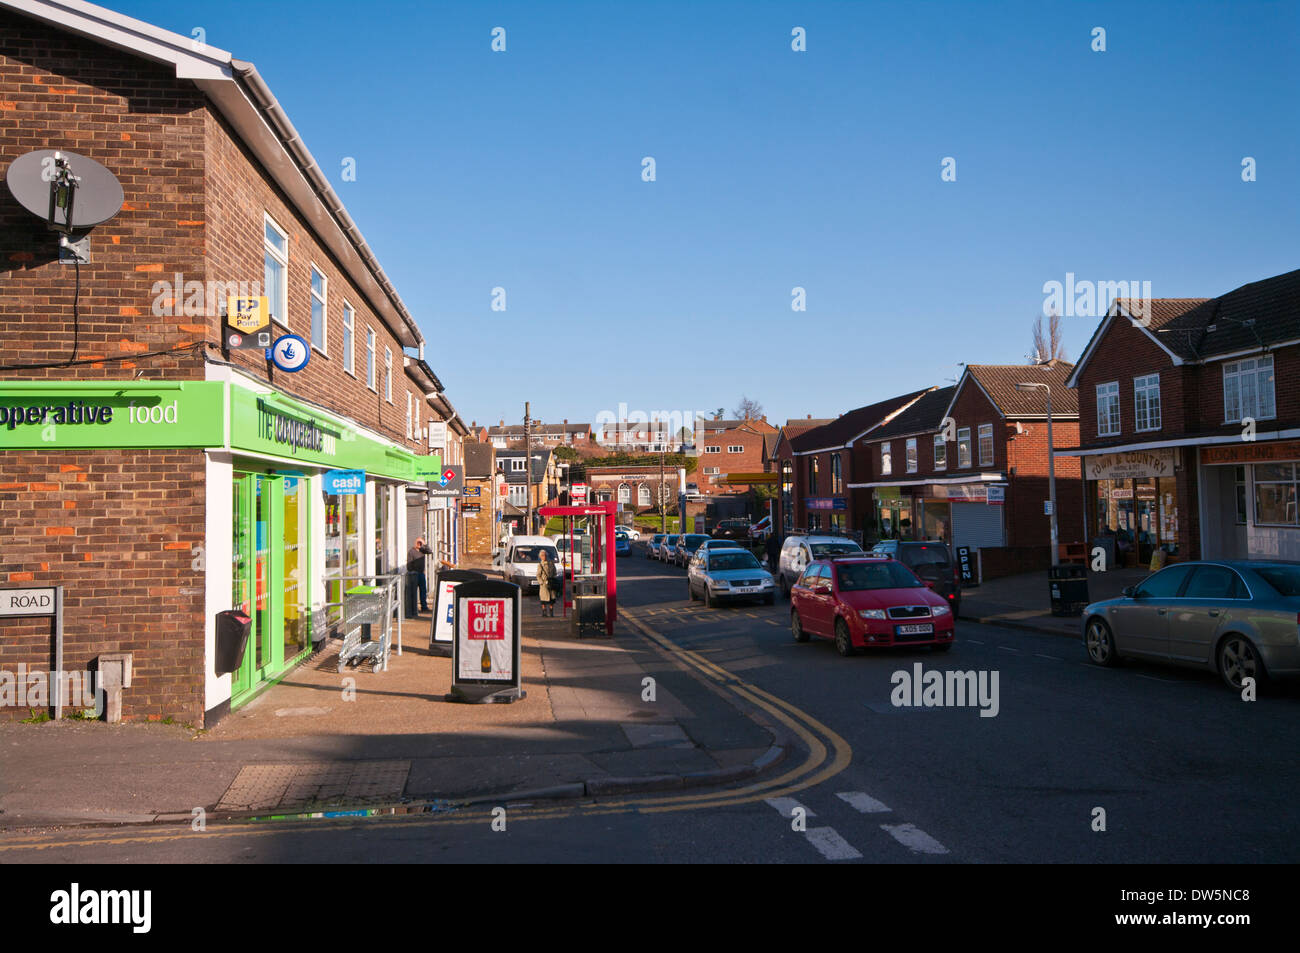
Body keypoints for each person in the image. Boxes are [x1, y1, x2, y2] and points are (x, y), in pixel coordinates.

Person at [405, 536, 434, 616]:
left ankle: (424, 607)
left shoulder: (422, 550)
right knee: (413, 592)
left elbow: (430, 551)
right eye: (418, 542)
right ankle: (413, 609)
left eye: (420, 543)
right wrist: (412, 571)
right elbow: (409, 565)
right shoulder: (411, 551)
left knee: (423, 591)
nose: (419, 544)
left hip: (421, 574)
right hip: (414, 574)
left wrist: (424, 544)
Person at [537, 550, 559, 617]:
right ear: (540, 557)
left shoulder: (551, 563)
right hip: (544, 584)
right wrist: (541, 582)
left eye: (545, 555)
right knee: (543, 599)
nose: (544, 557)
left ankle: (551, 612)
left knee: (552, 598)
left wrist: (553, 578)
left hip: (551, 583)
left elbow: (555, 572)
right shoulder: (540, 565)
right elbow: (538, 575)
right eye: (542, 556)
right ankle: (544, 612)